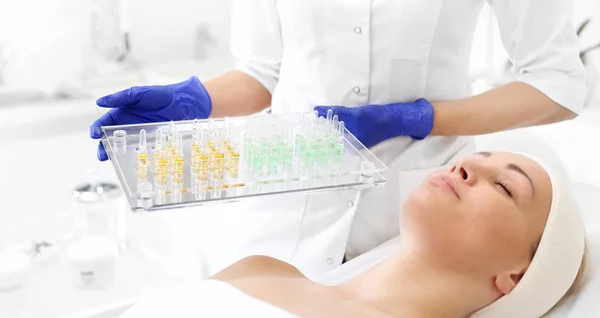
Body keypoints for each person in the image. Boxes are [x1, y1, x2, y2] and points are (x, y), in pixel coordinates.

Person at [90, 0, 588, 275]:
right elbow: (263, 72)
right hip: (283, 197)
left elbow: (558, 83)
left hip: (417, 219)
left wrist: (414, 118)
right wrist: (193, 100)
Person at [119, 151, 587, 318]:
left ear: (516, 275)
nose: (466, 165)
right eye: (477, 156)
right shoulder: (261, 268)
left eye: (505, 187)